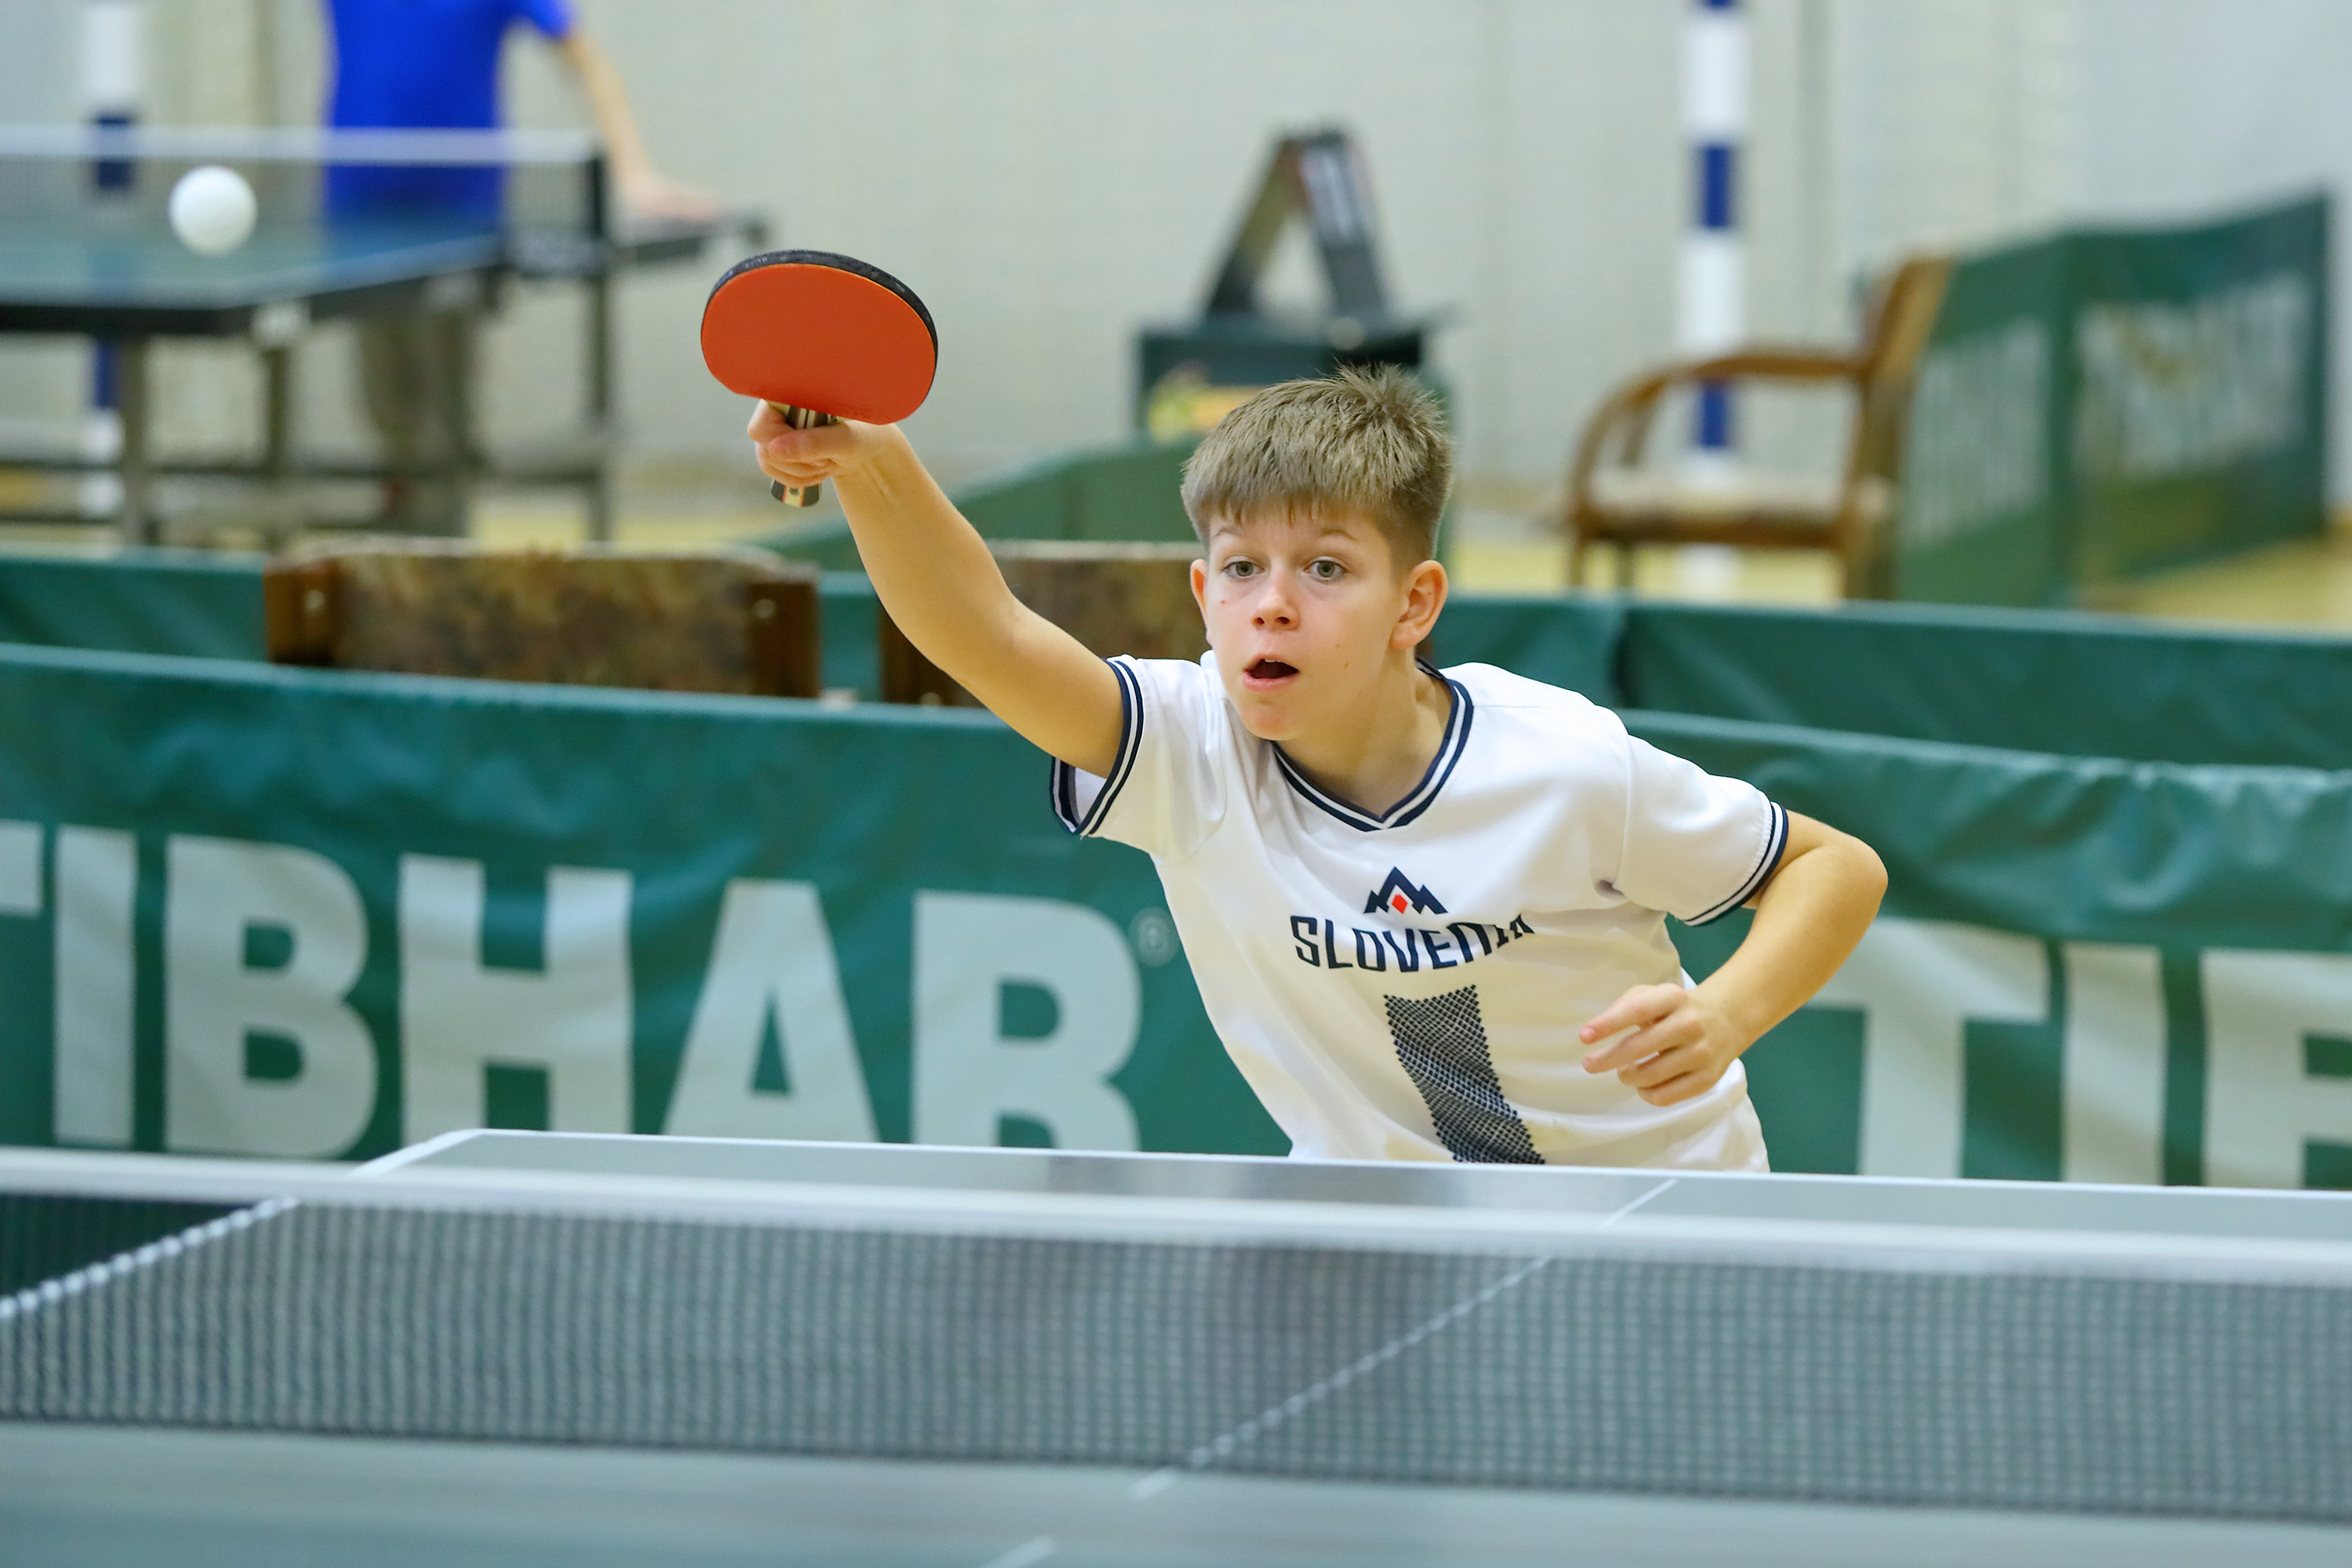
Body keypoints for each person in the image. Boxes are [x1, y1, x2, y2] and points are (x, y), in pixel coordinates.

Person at [749, 368, 1886, 1168]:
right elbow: (987, 635)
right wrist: (872, 460)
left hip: (1659, 1231)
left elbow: (1835, 867)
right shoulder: (1191, 751)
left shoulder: (1565, 766)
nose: (1275, 603)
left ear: (1415, 604)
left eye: (1327, 568)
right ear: (1203, 597)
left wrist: (1726, 1012)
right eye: (1242, 568)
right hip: (1381, 1245)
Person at [322, 0, 716, 532]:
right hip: (359, 217)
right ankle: (401, 525)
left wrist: (633, 174)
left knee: (446, 419)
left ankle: (446, 542)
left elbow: (583, 56)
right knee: (385, 407)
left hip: (461, 221)